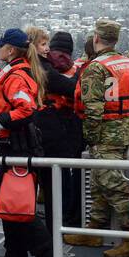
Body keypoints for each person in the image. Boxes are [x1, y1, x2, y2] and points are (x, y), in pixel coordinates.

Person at [0, 28, 52, 257]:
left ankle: (46, 256)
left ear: (10, 50)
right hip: (10, 146)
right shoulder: (11, 72)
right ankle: (16, 254)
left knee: (19, 203)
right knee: (7, 203)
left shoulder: (16, 77)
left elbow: (26, 110)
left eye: (0, 46)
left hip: (21, 147)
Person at [63, 19, 129, 257]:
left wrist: (90, 136)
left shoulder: (96, 67)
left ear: (96, 38)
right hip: (125, 130)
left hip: (105, 134)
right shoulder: (128, 62)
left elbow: (93, 108)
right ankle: (94, 230)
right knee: (98, 182)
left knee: (114, 186)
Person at [36, 30, 86, 235]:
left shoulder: (42, 66)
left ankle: (55, 217)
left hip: (48, 124)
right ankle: (71, 216)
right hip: (73, 122)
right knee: (74, 171)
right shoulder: (78, 68)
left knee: (51, 175)